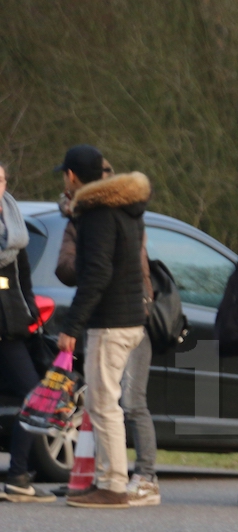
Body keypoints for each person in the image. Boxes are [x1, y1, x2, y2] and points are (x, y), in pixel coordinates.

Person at [53, 158, 160, 505]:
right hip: (130, 318)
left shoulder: (98, 215)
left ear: (72, 175)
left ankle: (112, 485)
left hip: (111, 321)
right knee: (106, 402)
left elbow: (96, 274)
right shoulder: (126, 209)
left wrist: (72, 325)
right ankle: (105, 479)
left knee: (102, 404)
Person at [0, 162, 55, 502]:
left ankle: (19, 472)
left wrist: (32, 311)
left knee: (35, 396)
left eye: (2, 178)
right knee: (35, 396)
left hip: (15, 326)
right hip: (4, 328)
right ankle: (18, 475)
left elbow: (22, 274)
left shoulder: (13, 220)